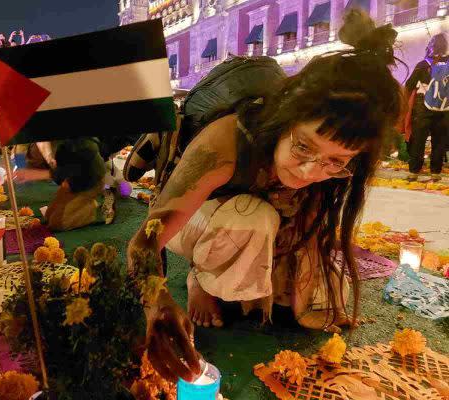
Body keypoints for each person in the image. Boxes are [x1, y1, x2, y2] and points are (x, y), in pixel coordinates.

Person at [126, 11, 403, 382]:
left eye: (336, 161)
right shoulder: (227, 141)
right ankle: (201, 278)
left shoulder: (332, 167)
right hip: (199, 220)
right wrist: (155, 303)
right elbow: (144, 243)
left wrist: (302, 274)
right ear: (286, 117)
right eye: (303, 147)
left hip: (270, 220)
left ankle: (239, 273)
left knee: (315, 301)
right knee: (251, 217)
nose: (310, 172)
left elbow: (310, 223)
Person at [405, 33, 449, 182]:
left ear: (431, 46)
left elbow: (409, 85)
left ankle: (414, 172)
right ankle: (435, 173)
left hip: (423, 108)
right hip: (444, 110)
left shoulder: (423, 64)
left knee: (419, 140)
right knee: (439, 141)